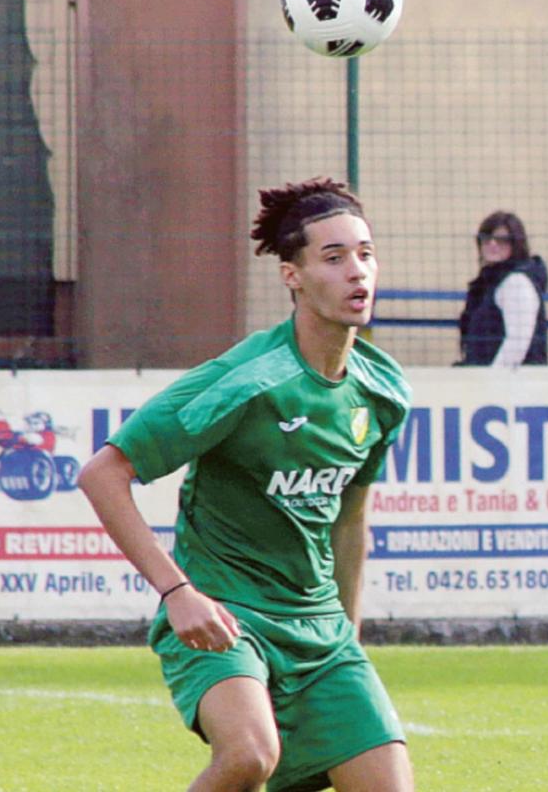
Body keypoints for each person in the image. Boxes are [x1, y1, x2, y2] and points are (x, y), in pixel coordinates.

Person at [78, 177, 414, 792]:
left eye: (365, 253)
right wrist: (178, 593)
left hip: (321, 632)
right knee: (248, 757)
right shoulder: (246, 379)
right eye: (333, 258)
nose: (356, 273)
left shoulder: (384, 391)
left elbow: (350, 520)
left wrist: (349, 638)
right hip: (226, 614)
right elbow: (104, 474)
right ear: (292, 276)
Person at [456, 210, 548, 366]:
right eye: (486, 238)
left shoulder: (517, 282)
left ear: (517, 244)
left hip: (512, 384)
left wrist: (494, 382)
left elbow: (517, 344)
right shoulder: (490, 282)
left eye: (502, 240)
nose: (492, 244)